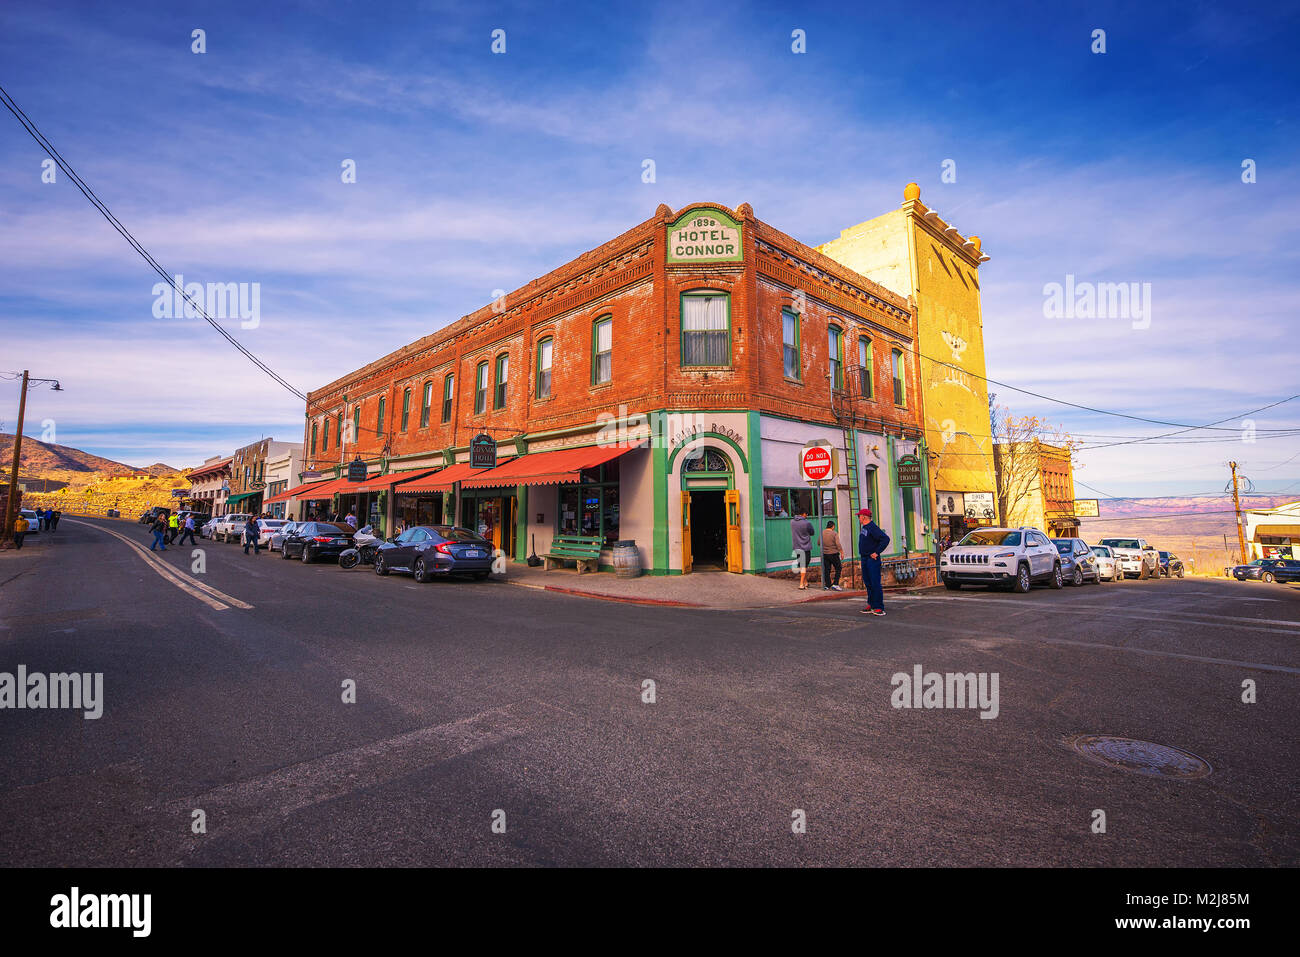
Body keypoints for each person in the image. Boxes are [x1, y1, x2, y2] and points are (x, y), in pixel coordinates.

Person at [857, 507, 891, 616]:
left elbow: (885, 539)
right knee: (868, 582)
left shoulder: (872, 527)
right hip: (864, 558)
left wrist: (877, 552)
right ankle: (871, 604)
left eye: (859, 516)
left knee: (875, 582)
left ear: (864, 517)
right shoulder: (864, 528)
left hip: (872, 559)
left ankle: (879, 607)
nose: (858, 518)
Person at [790, 508, 814, 590]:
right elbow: (812, 533)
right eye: (806, 514)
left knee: (801, 565)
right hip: (805, 547)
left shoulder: (792, 522)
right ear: (804, 514)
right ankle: (801, 584)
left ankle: (805, 582)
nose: (807, 516)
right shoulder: (807, 523)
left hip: (797, 547)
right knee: (804, 565)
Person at [821, 519, 843, 591]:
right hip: (833, 553)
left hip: (825, 554)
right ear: (833, 526)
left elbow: (819, 542)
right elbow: (838, 544)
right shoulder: (834, 533)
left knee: (827, 569)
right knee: (838, 568)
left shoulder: (822, 532)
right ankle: (835, 584)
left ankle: (827, 584)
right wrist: (841, 552)